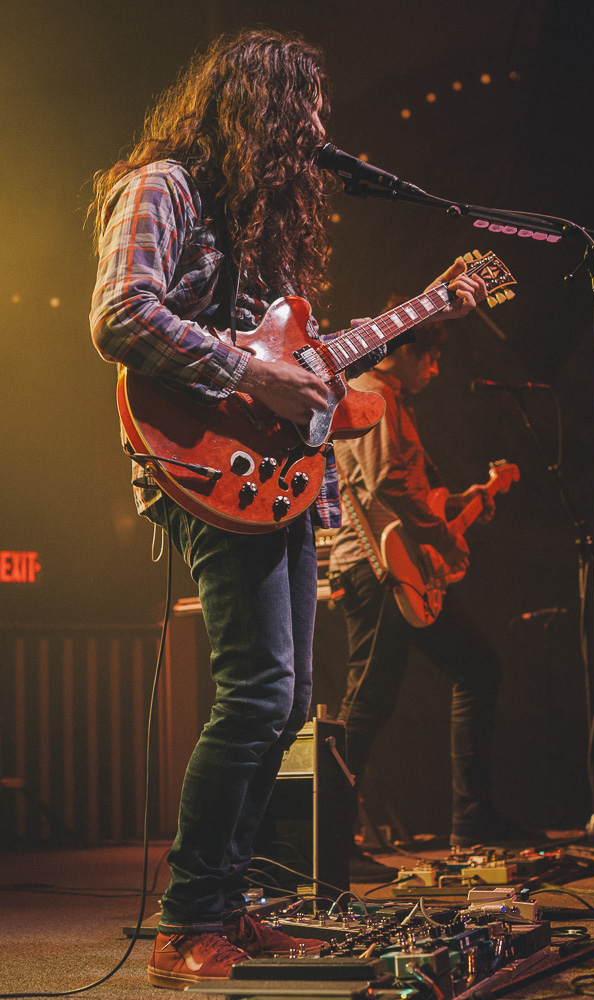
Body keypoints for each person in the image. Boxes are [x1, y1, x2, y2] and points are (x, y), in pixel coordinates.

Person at [89, 30, 487, 990]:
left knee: (288, 703)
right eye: (300, 114)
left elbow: (298, 375)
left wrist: (408, 319)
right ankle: (186, 922)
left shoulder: (257, 235)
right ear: (253, 109)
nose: (314, 133)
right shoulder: (164, 187)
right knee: (256, 694)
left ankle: (229, 906)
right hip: (201, 468)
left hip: (279, 487)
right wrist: (248, 374)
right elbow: (119, 314)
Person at [329, 300, 509, 875]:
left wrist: (466, 504)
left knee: (476, 667)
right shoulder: (375, 394)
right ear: (404, 350)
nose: (435, 370)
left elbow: (409, 493)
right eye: (430, 357)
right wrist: (446, 536)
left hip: (396, 568)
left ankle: (474, 824)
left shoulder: (388, 399)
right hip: (378, 569)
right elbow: (386, 482)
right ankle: (331, 842)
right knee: (367, 703)